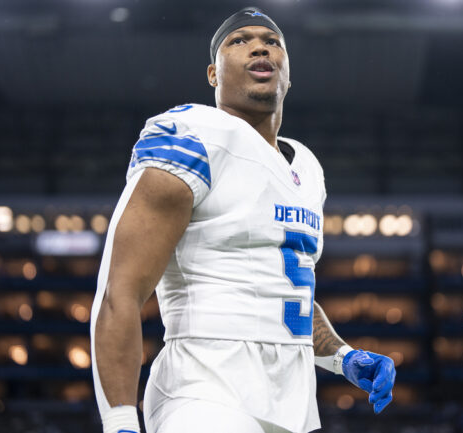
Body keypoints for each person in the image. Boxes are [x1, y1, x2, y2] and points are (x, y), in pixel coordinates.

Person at [90, 7, 396, 433]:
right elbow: (119, 292)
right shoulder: (191, 134)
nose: (259, 46)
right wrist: (120, 420)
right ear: (213, 74)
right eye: (239, 40)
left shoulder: (306, 168)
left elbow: (284, 296)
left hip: (294, 402)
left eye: (273, 42)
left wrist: (345, 357)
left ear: (288, 74)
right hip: (203, 389)